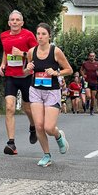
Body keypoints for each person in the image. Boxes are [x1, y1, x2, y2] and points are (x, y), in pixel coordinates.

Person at [24, 22, 73, 167]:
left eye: (43, 34)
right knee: (38, 126)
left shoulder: (56, 51)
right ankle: (46, 155)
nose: (40, 37)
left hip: (52, 91)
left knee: (48, 128)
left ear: (49, 36)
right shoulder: (31, 52)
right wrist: (27, 68)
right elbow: (26, 71)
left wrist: (56, 72)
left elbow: (69, 70)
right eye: (38, 34)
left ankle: (58, 136)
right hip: (36, 91)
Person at [0, 10, 38, 156]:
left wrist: (21, 54)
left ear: (22, 23)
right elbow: (6, 51)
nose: (14, 22)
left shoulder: (28, 35)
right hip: (11, 76)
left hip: (26, 76)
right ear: (9, 23)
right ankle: (11, 143)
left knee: (27, 109)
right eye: (12, 20)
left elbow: (36, 54)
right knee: (9, 108)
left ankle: (33, 127)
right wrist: (2, 64)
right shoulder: (4, 35)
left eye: (17, 20)